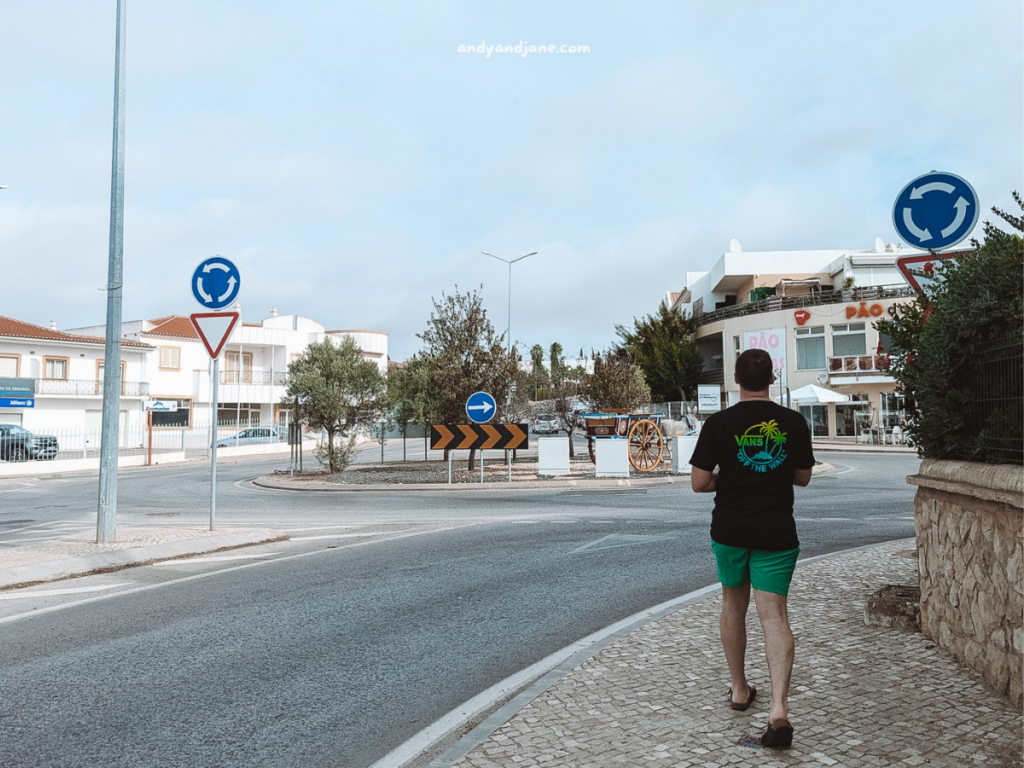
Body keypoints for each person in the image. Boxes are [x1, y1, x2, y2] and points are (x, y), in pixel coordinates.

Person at [689, 348, 814, 749]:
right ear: (771, 380)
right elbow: (803, 477)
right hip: (777, 531)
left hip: (729, 530)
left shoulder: (719, 424)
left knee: (732, 605)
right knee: (774, 616)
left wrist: (729, 477)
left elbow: (699, 482)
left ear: (736, 382)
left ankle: (740, 691)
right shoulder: (793, 422)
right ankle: (779, 710)